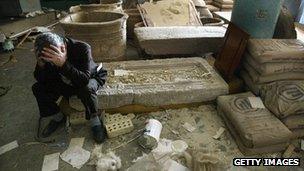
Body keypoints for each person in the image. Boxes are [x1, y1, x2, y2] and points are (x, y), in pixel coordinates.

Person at [31, 32, 107, 143]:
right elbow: (41, 80)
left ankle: (94, 120)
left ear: (63, 48)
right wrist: (41, 65)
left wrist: (63, 63)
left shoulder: (82, 48)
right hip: (64, 80)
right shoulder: (47, 53)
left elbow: (83, 80)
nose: (50, 62)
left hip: (88, 78)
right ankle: (58, 116)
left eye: (51, 59)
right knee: (38, 88)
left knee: (86, 88)